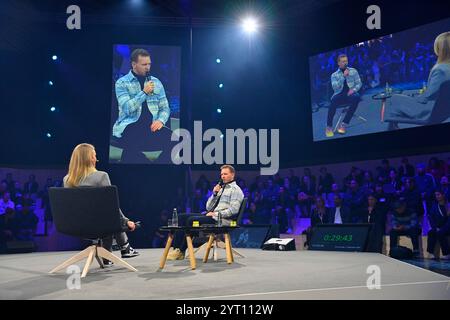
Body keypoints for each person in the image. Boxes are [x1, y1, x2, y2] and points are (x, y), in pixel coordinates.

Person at [63, 143, 139, 264]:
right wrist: (126, 221)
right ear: (89, 159)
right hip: (100, 225)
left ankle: (108, 256)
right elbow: (112, 206)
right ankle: (124, 247)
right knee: (108, 215)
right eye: (94, 156)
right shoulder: (101, 176)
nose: (96, 159)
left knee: (102, 215)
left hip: (76, 225)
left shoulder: (67, 180)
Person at [167, 165, 244, 260]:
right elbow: (208, 207)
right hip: (211, 215)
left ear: (232, 175)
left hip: (222, 220)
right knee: (181, 216)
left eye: (225, 174)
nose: (223, 176)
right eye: (221, 174)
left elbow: (233, 210)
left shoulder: (235, 190)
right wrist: (214, 194)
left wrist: (215, 214)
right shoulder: (220, 188)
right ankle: (176, 249)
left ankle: (181, 250)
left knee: (191, 220)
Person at [112, 48, 174, 164]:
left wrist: (160, 121)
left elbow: (165, 108)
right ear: (134, 64)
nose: (147, 67)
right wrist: (144, 92)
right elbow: (127, 108)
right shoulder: (122, 83)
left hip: (152, 126)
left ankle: (155, 168)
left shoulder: (156, 82)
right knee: (130, 151)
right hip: (129, 126)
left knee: (177, 141)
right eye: (144, 64)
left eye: (149, 64)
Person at [387, 32, 450, 130]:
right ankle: (393, 126)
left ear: (441, 49)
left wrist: (415, 97)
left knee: (394, 98)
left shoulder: (440, 70)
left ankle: (392, 129)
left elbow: (427, 97)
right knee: (400, 100)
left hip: (429, 112)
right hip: (444, 111)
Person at [326, 53, 362, 137]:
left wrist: (353, 90)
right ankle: (329, 127)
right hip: (339, 94)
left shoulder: (353, 71)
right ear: (338, 63)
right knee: (333, 101)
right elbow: (335, 87)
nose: (345, 63)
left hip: (350, 94)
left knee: (357, 97)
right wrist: (343, 76)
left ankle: (344, 124)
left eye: (346, 61)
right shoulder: (334, 75)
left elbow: (359, 83)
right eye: (342, 61)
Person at [427, 190, 450, 259]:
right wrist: (435, 228)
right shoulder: (434, 206)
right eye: (436, 195)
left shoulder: (448, 205)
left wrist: (443, 228)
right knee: (431, 232)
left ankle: (447, 253)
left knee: (440, 233)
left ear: (443, 195)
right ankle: (430, 253)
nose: (437, 196)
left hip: (447, 228)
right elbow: (431, 218)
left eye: (439, 194)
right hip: (437, 227)